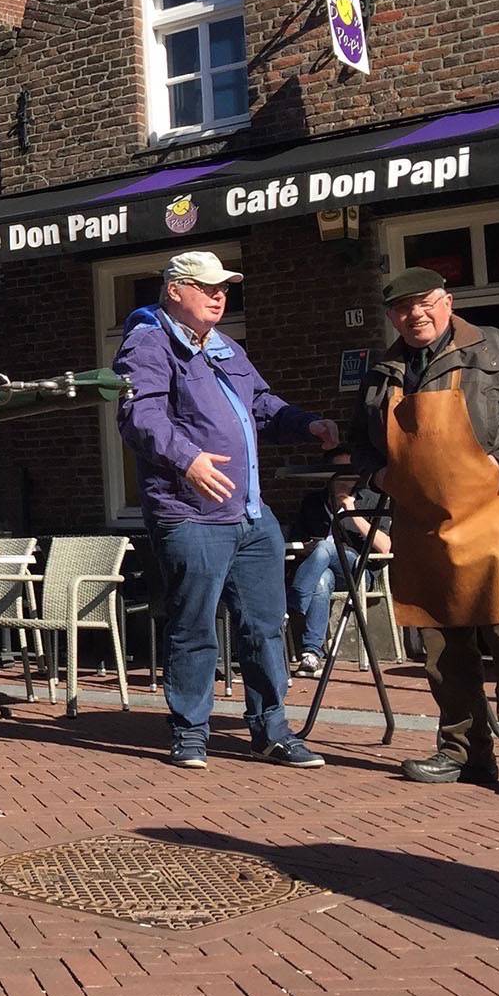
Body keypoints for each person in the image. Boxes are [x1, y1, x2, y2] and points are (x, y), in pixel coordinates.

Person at [350, 268, 499, 799]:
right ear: (391, 316)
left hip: (495, 516)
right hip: (422, 524)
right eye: (402, 308)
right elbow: (363, 445)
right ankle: (463, 751)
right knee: (441, 650)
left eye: (424, 303)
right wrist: (376, 475)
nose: (415, 315)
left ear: (447, 301)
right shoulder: (384, 370)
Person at [115, 251, 340, 771]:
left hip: (251, 514)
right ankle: (190, 733)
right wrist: (187, 458)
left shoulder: (225, 347)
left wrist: (306, 424)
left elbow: (261, 403)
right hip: (190, 514)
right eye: (207, 287)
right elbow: (138, 415)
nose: (220, 296)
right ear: (175, 291)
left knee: (264, 625)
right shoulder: (149, 341)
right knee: (194, 627)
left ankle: (272, 731)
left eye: (224, 288)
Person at [287, 449, 390, 674]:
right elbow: (297, 541)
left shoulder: (370, 498)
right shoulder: (314, 502)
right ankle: (311, 654)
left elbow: (385, 546)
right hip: (322, 570)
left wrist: (352, 511)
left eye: (351, 472)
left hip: (359, 571)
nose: (348, 478)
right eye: (341, 472)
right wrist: (308, 548)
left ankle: (292, 604)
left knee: (327, 546)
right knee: (322, 579)